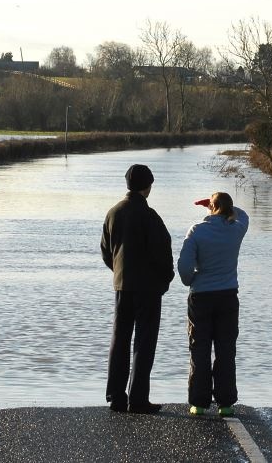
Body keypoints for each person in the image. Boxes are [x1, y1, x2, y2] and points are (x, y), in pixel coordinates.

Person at [100, 164, 174, 414]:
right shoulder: (149, 216)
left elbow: (106, 251)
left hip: (122, 285)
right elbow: (163, 252)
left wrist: (119, 272)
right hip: (148, 288)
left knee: (119, 338)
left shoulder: (113, 213)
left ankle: (116, 396)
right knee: (143, 342)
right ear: (148, 186)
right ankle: (138, 398)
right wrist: (165, 280)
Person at [177, 192, 249, 417]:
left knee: (199, 348)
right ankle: (225, 403)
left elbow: (184, 268)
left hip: (202, 297)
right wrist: (222, 208)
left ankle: (199, 402)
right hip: (228, 296)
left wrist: (192, 279)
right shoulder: (236, 229)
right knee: (226, 349)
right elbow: (244, 215)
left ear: (211, 207)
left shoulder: (197, 231)